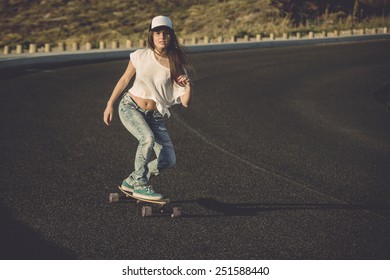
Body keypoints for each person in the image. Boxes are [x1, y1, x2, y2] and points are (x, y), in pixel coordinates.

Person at [103, 15, 192, 201]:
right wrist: (110, 104)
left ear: (171, 37)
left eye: (166, 33)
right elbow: (125, 79)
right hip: (131, 107)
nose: (162, 37)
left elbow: (185, 102)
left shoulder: (176, 65)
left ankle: (131, 180)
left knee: (168, 159)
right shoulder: (140, 55)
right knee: (147, 139)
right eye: (157, 33)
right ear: (151, 36)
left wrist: (188, 84)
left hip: (154, 116)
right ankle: (141, 184)